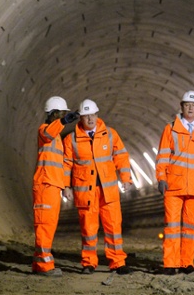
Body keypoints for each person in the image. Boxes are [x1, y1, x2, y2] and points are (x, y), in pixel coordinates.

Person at [63, 99, 133, 275]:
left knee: (113, 227)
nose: (90, 119)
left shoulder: (109, 134)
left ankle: (118, 262)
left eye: (92, 115)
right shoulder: (71, 139)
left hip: (108, 191)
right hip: (85, 192)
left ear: (97, 115)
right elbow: (66, 164)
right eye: (86, 116)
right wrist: (66, 186)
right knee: (88, 228)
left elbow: (121, 157)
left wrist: (126, 178)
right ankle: (88, 262)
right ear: (80, 118)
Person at [156, 90, 194, 275]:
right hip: (174, 185)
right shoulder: (170, 128)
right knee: (171, 227)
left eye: (193, 105)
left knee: (192, 228)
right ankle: (170, 264)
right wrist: (161, 178)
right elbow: (163, 155)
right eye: (187, 105)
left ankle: (186, 262)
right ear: (181, 107)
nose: (190, 108)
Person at [32, 96, 79, 276]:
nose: (62, 118)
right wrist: (65, 121)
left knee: (48, 225)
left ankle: (38, 264)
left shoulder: (57, 138)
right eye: (60, 114)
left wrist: (65, 186)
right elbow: (48, 133)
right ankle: (44, 266)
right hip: (45, 185)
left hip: (53, 186)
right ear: (53, 114)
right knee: (45, 225)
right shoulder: (44, 130)